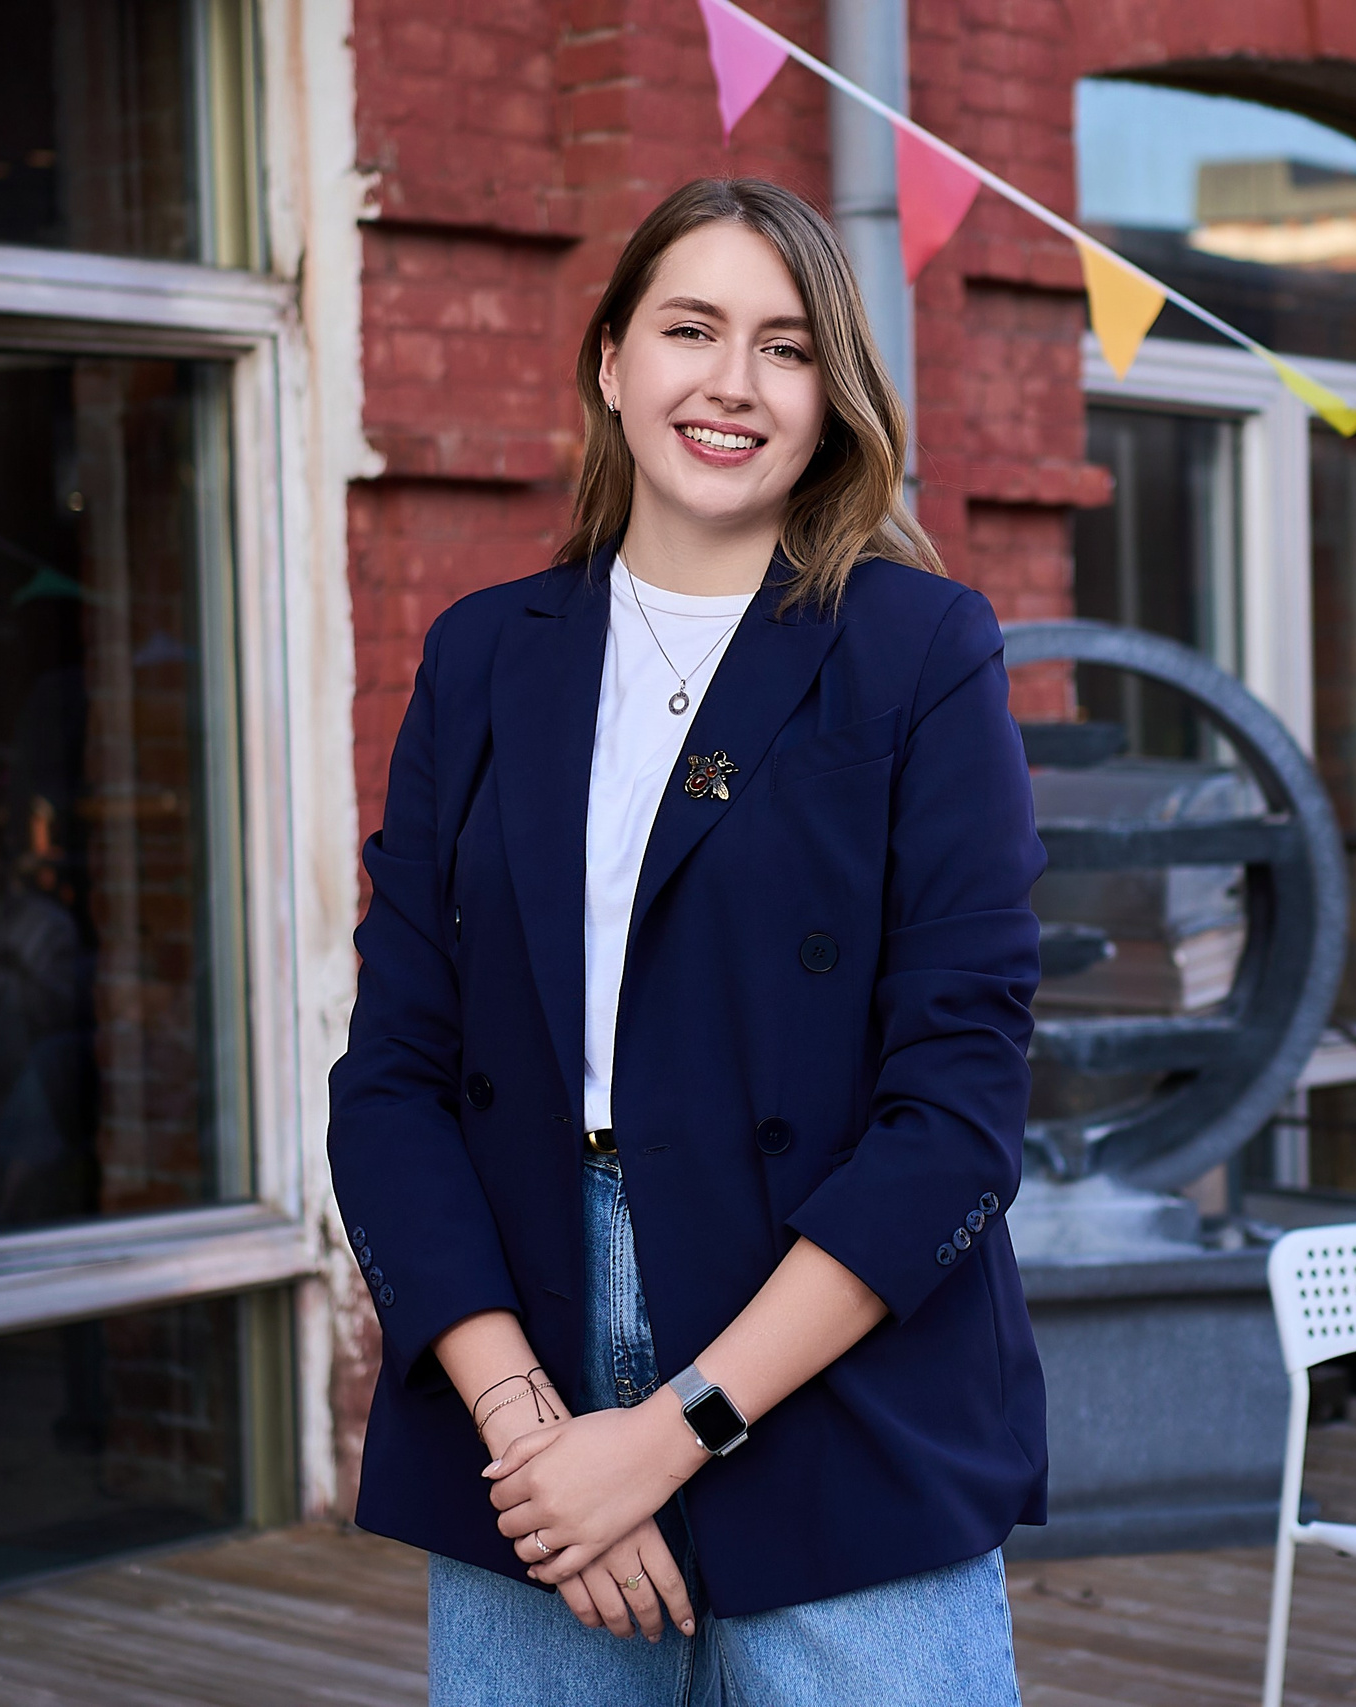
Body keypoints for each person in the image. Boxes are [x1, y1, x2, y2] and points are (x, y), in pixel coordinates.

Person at [330, 176, 1047, 1706]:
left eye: (785, 348)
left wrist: (661, 1440)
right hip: (523, 1325)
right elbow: (391, 1075)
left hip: (829, 1344)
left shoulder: (917, 649)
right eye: (691, 329)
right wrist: (535, 1439)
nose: (732, 382)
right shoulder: (482, 657)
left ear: (831, 397)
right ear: (611, 363)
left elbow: (958, 1115)